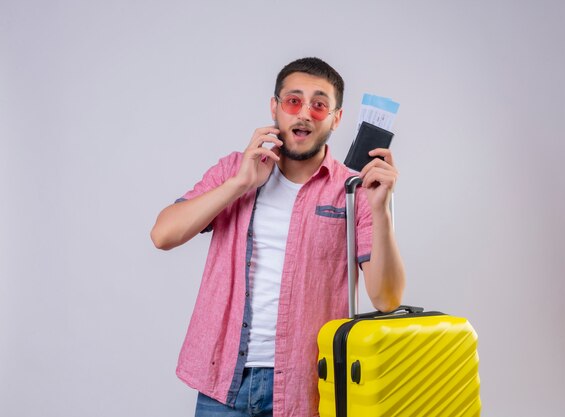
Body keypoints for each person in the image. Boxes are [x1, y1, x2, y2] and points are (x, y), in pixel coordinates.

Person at [150, 57, 406, 417]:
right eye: (293, 101)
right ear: (275, 107)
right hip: (224, 384)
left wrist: (380, 209)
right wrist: (239, 183)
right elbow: (163, 235)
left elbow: (387, 298)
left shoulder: (353, 189)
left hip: (310, 388)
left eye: (319, 105)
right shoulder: (233, 170)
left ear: (336, 118)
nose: (304, 113)